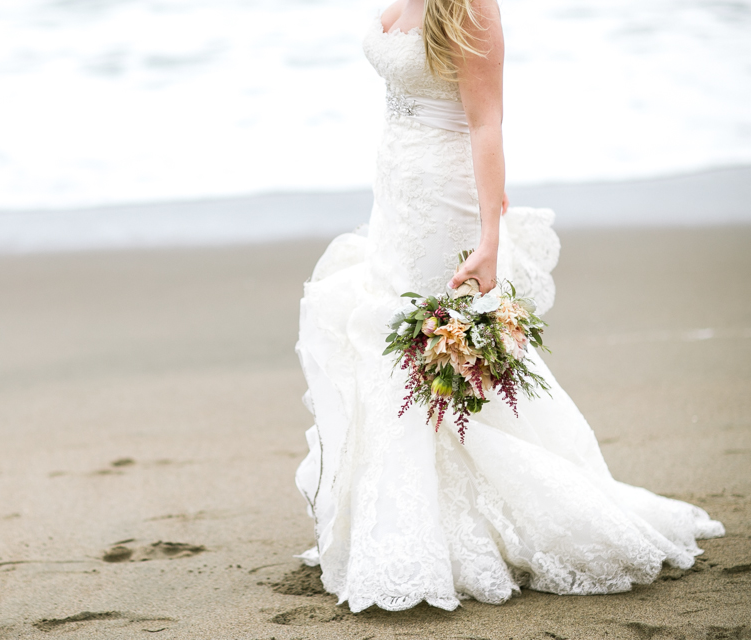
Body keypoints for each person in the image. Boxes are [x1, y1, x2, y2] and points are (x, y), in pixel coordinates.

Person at [293, 0, 724, 613]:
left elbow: (486, 121)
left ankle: (457, 532)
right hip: (396, 193)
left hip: (446, 199)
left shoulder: (470, 6)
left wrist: (491, 240)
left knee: (432, 356)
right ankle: (391, 522)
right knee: (388, 340)